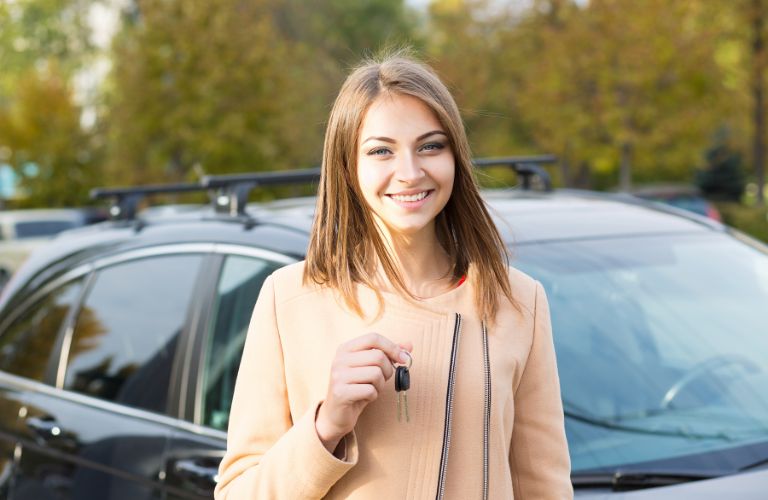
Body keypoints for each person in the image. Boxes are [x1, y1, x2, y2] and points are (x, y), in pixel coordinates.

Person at [215, 52, 573, 499]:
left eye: (430, 146)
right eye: (381, 150)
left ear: (456, 157)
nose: (409, 172)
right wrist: (327, 424)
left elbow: (544, 488)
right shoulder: (289, 300)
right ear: (349, 167)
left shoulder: (518, 300)